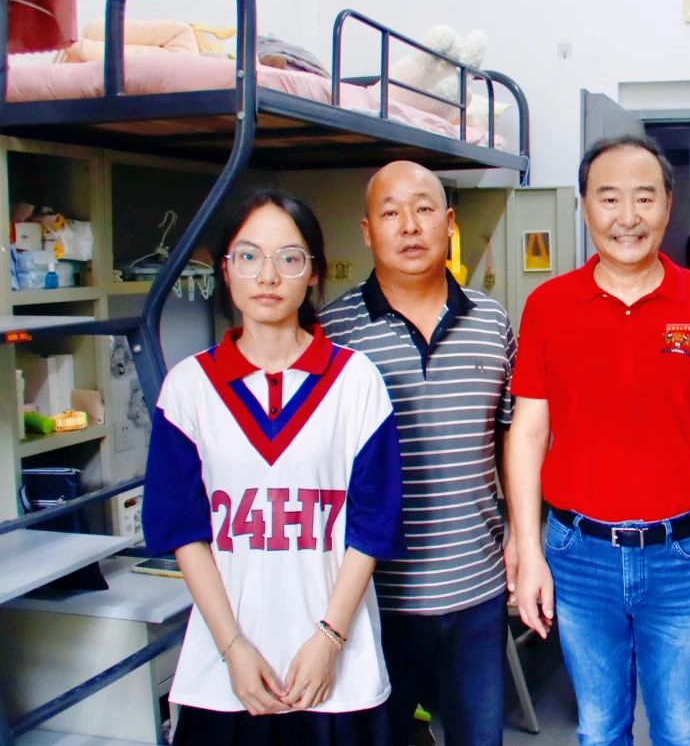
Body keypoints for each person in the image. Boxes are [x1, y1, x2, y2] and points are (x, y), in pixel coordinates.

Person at [509, 135, 690, 746]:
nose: (628, 217)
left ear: (668, 205)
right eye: (609, 198)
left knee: (680, 728)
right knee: (599, 728)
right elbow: (528, 433)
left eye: (644, 198)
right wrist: (528, 548)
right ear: (584, 206)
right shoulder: (548, 305)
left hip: (687, 554)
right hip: (578, 553)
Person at [142, 189, 403, 744]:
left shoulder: (356, 381)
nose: (267, 275)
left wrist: (329, 640)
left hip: (337, 666)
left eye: (288, 257)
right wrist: (232, 648)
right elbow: (184, 531)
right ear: (225, 270)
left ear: (313, 272)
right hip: (227, 671)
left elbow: (373, 527)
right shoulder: (188, 388)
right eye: (248, 256)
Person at [318, 160, 516, 746]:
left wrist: (520, 537)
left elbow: (510, 438)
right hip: (374, 598)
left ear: (449, 223)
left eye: (424, 209)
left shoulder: (491, 321)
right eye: (390, 213)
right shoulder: (331, 334)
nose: (409, 225)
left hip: (477, 589)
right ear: (367, 231)